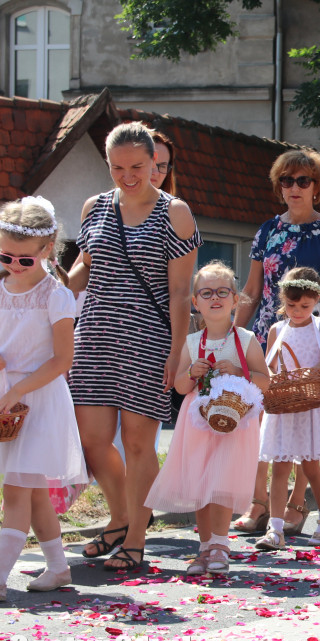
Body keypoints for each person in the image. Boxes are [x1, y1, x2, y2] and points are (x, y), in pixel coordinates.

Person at [68, 122, 201, 570]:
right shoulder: (95, 208)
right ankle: (121, 516)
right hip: (95, 336)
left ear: (154, 164)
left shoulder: (175, 212)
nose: (127, 175)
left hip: (149, 341)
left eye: (137, 167)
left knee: (140, 444)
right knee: (91, 441)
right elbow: (82, 271)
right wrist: (43, 279)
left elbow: (181, 292)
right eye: (117, 167)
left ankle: (136, 539)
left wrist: (176, 350)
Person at [235, 150, 320, 537]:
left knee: (306, 414)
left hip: (313, 335)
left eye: (303, 181)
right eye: (286, 180)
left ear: (318, 187)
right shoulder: (266, 231)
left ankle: (298, 502)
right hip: (270, 336)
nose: (294, 187)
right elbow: (251, 288)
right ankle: (259, 502)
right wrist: (230, 337)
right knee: (266, 421)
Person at [145, 262, 270, 575]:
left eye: (222, 292)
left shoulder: (245, 339)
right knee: (201, 484)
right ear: (196, 302)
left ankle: (220, 544)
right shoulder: (191, 342)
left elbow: (265, 380)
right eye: (206, 292)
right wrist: (191, 372)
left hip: (234, 425)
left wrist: (241, 372)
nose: (215, 297)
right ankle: (203, 548)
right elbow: (181, 387)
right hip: (197, 424)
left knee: (221, 483)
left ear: (234, 299)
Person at [0, 197, 87, 599]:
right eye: (6, 257)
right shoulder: (1, 289)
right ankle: (57, 567)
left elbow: (62, 359)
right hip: (6, 393)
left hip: (38, 398)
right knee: (31, 492)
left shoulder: (56, 295)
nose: (14, 266)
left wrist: (17, 388)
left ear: (47, 250)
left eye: (24, 260)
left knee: (16, 490)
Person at [255, 268, 320, 551]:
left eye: (304, 306)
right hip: (285, 404)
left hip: (312, 402)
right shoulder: (277, 330)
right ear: (283, 301)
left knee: (310, 465)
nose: (297, 312)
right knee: (280, 466)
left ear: (317, 299)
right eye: (291, 306)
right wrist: (276, 381)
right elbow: (270, 366)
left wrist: (305, 377)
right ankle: (275, 530)